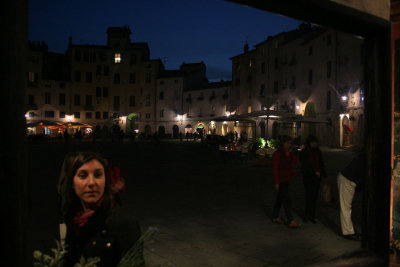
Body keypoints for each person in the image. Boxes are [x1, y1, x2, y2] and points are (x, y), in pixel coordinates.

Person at [57, 151, 144, 266]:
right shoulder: (71, 219)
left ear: (105, 181)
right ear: (72, 183)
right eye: (83, 176)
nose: (92, 183)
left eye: (98, 175)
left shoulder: (124, 223)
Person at [271, 135, 301, 228]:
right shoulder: (278, 154)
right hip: (281, 179)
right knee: (287, 200)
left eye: (290, 143)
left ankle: (275, 216)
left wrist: (291, 153)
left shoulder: (288, 153)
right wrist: (276, 182)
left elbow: (295, 162)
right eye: (288, 143)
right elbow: (275, 168)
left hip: (287, 178)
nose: (289, 145)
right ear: (283, 143)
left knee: (280, 198)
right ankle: (290, 220)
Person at [299, 135, 327, 223]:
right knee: (309, 196)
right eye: (313, 142)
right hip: (308, 176)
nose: (314, 144)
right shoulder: (304, 152)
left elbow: (321, 162)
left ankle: (312, 215)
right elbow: (305, 165)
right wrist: (314, 171)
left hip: (317, 177)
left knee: (314, 197)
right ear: (309, 142)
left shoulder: (318, 151)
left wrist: (324, 174)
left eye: (315, 142)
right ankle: (307, 215)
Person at [337, 151, 364, 241]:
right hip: (347, 180)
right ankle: (348, 232)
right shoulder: (363, 158)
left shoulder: (362, 156)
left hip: (348, 179)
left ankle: (349, 230)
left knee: (347, 207)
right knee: (345, 207)